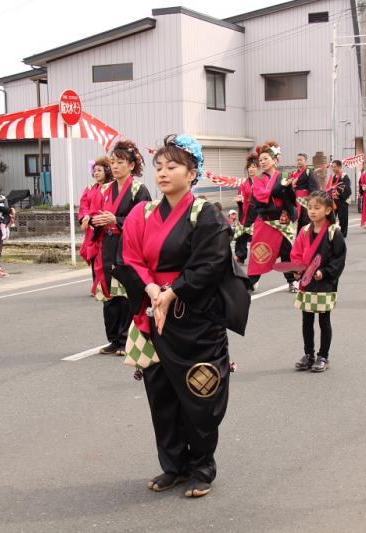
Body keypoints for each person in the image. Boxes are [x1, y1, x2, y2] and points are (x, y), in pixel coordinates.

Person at [115, 134, 238, 499]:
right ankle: (175, 465)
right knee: (162, 396)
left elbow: (211, 263)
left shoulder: (206, 214)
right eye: (159, 167)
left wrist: (173, 292)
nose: (163, 173)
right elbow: (128, 259)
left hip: (195, 319)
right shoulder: (143, 213)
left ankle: (202, 466)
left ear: (192, 171)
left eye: (173, 166)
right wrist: (153, 290)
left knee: (200, 395)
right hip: (154, 316)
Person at [90, 139, 152, 355]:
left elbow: (144, 219)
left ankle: (126, 339)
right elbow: (96, 213)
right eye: (113, 162)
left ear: (131, 165)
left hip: (126, 244)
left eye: (120, 162)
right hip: (107, 243)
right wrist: (94, 221)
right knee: (109, 293)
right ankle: (114, 339)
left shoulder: (138, 189)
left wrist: (116, 219)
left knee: (125, 292)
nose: (115, 167)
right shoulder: (105, 189)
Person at [291, 190, 346, 373]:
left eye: (317, 208)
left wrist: (325, 272)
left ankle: (323, 355)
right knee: (306, 320)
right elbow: (297, 253)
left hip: (325, 282)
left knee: (324, 320)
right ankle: (308, 354)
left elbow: (339, 258)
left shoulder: (333, 232)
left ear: (328, 210)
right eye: (310, 207)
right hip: (307, 281)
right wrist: (298, 270)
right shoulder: (305, 230)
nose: (312, 211)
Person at [247, 140, 298, 292]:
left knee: (286, 252)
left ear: (274, 160)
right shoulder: (257, 180)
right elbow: (260, 197)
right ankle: (251, 281)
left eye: (266, 159)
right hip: (265, 220)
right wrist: (281, 187)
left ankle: (292, 281)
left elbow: (291, 198)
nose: (262, 162)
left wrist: (287, 188)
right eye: (260, 160)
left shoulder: (283, 176)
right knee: (259, 252)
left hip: (282, 220)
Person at [79, 158, 112, 282]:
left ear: (106, 171)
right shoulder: (90, 188)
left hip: (105, 225)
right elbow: (84, 205)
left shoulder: (111, 187)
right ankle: (96, 283)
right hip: (92, 227)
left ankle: (105, 282)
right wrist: (85, 216)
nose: (96, 173)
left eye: (99, 170)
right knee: (93, 253)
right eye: (95, 170)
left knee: (104, 254)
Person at [233, 154, 258, 264]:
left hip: (257, 211)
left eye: (253, 167)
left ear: (258, 168)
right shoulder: (244, 183)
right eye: (249, 167)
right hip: (245, 210)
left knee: (258, 235)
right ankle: (240, 256)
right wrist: (239, 200)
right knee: (241, 235)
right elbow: (240, 195)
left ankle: (259, 257)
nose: (251, 169)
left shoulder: (262, 181)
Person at [290, 152, 319, 230]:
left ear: (305, 161)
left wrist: (313, 201)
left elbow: (314, 187)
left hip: (305, 201)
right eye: (298, 160)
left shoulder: (309, 172)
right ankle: (298, 238)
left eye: (301, 160)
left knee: (305, 220)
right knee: (297, 220)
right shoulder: (294, 173)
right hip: (295, 200)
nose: (299, 161)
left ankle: (306, 237)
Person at [326, 160, 352, 236]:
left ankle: (343, 233)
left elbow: (347, 189)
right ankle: (333, 232)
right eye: (332, 167)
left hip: (342, 200)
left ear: (339, 166)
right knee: (332, 216)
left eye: (335, 167)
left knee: (342, 217)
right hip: (334, 200)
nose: (333, 168)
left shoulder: (344, 176)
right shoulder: (333, 176)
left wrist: (339, 192)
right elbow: (329, 187)